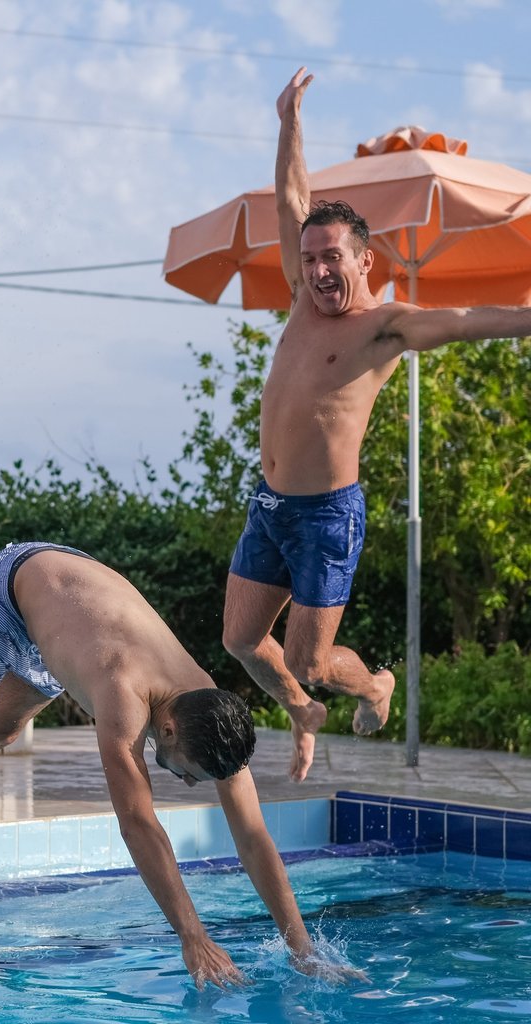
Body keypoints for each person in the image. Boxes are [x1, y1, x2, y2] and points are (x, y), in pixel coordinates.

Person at [0, 542, 364, 989]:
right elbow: (138, 821)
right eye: (188, 772)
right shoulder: (122, 697)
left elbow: (252, 835)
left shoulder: (209, 709)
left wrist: (303, 948)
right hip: (6, 594)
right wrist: (192, 936)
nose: (183, 780)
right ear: (169, 730)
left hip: (64, 610)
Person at [222, 66, 531, 783]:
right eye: (311, 257)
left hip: (327, 516)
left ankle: (372, 685)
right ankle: (304, 711)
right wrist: (288, 121)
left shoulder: (384, 327)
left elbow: (467, 321)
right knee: (241, 641)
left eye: (335, 258)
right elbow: (291, 195)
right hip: (268, 505)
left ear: (365, 259)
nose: (322, 271)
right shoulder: (301, 300)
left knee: (310, 658)